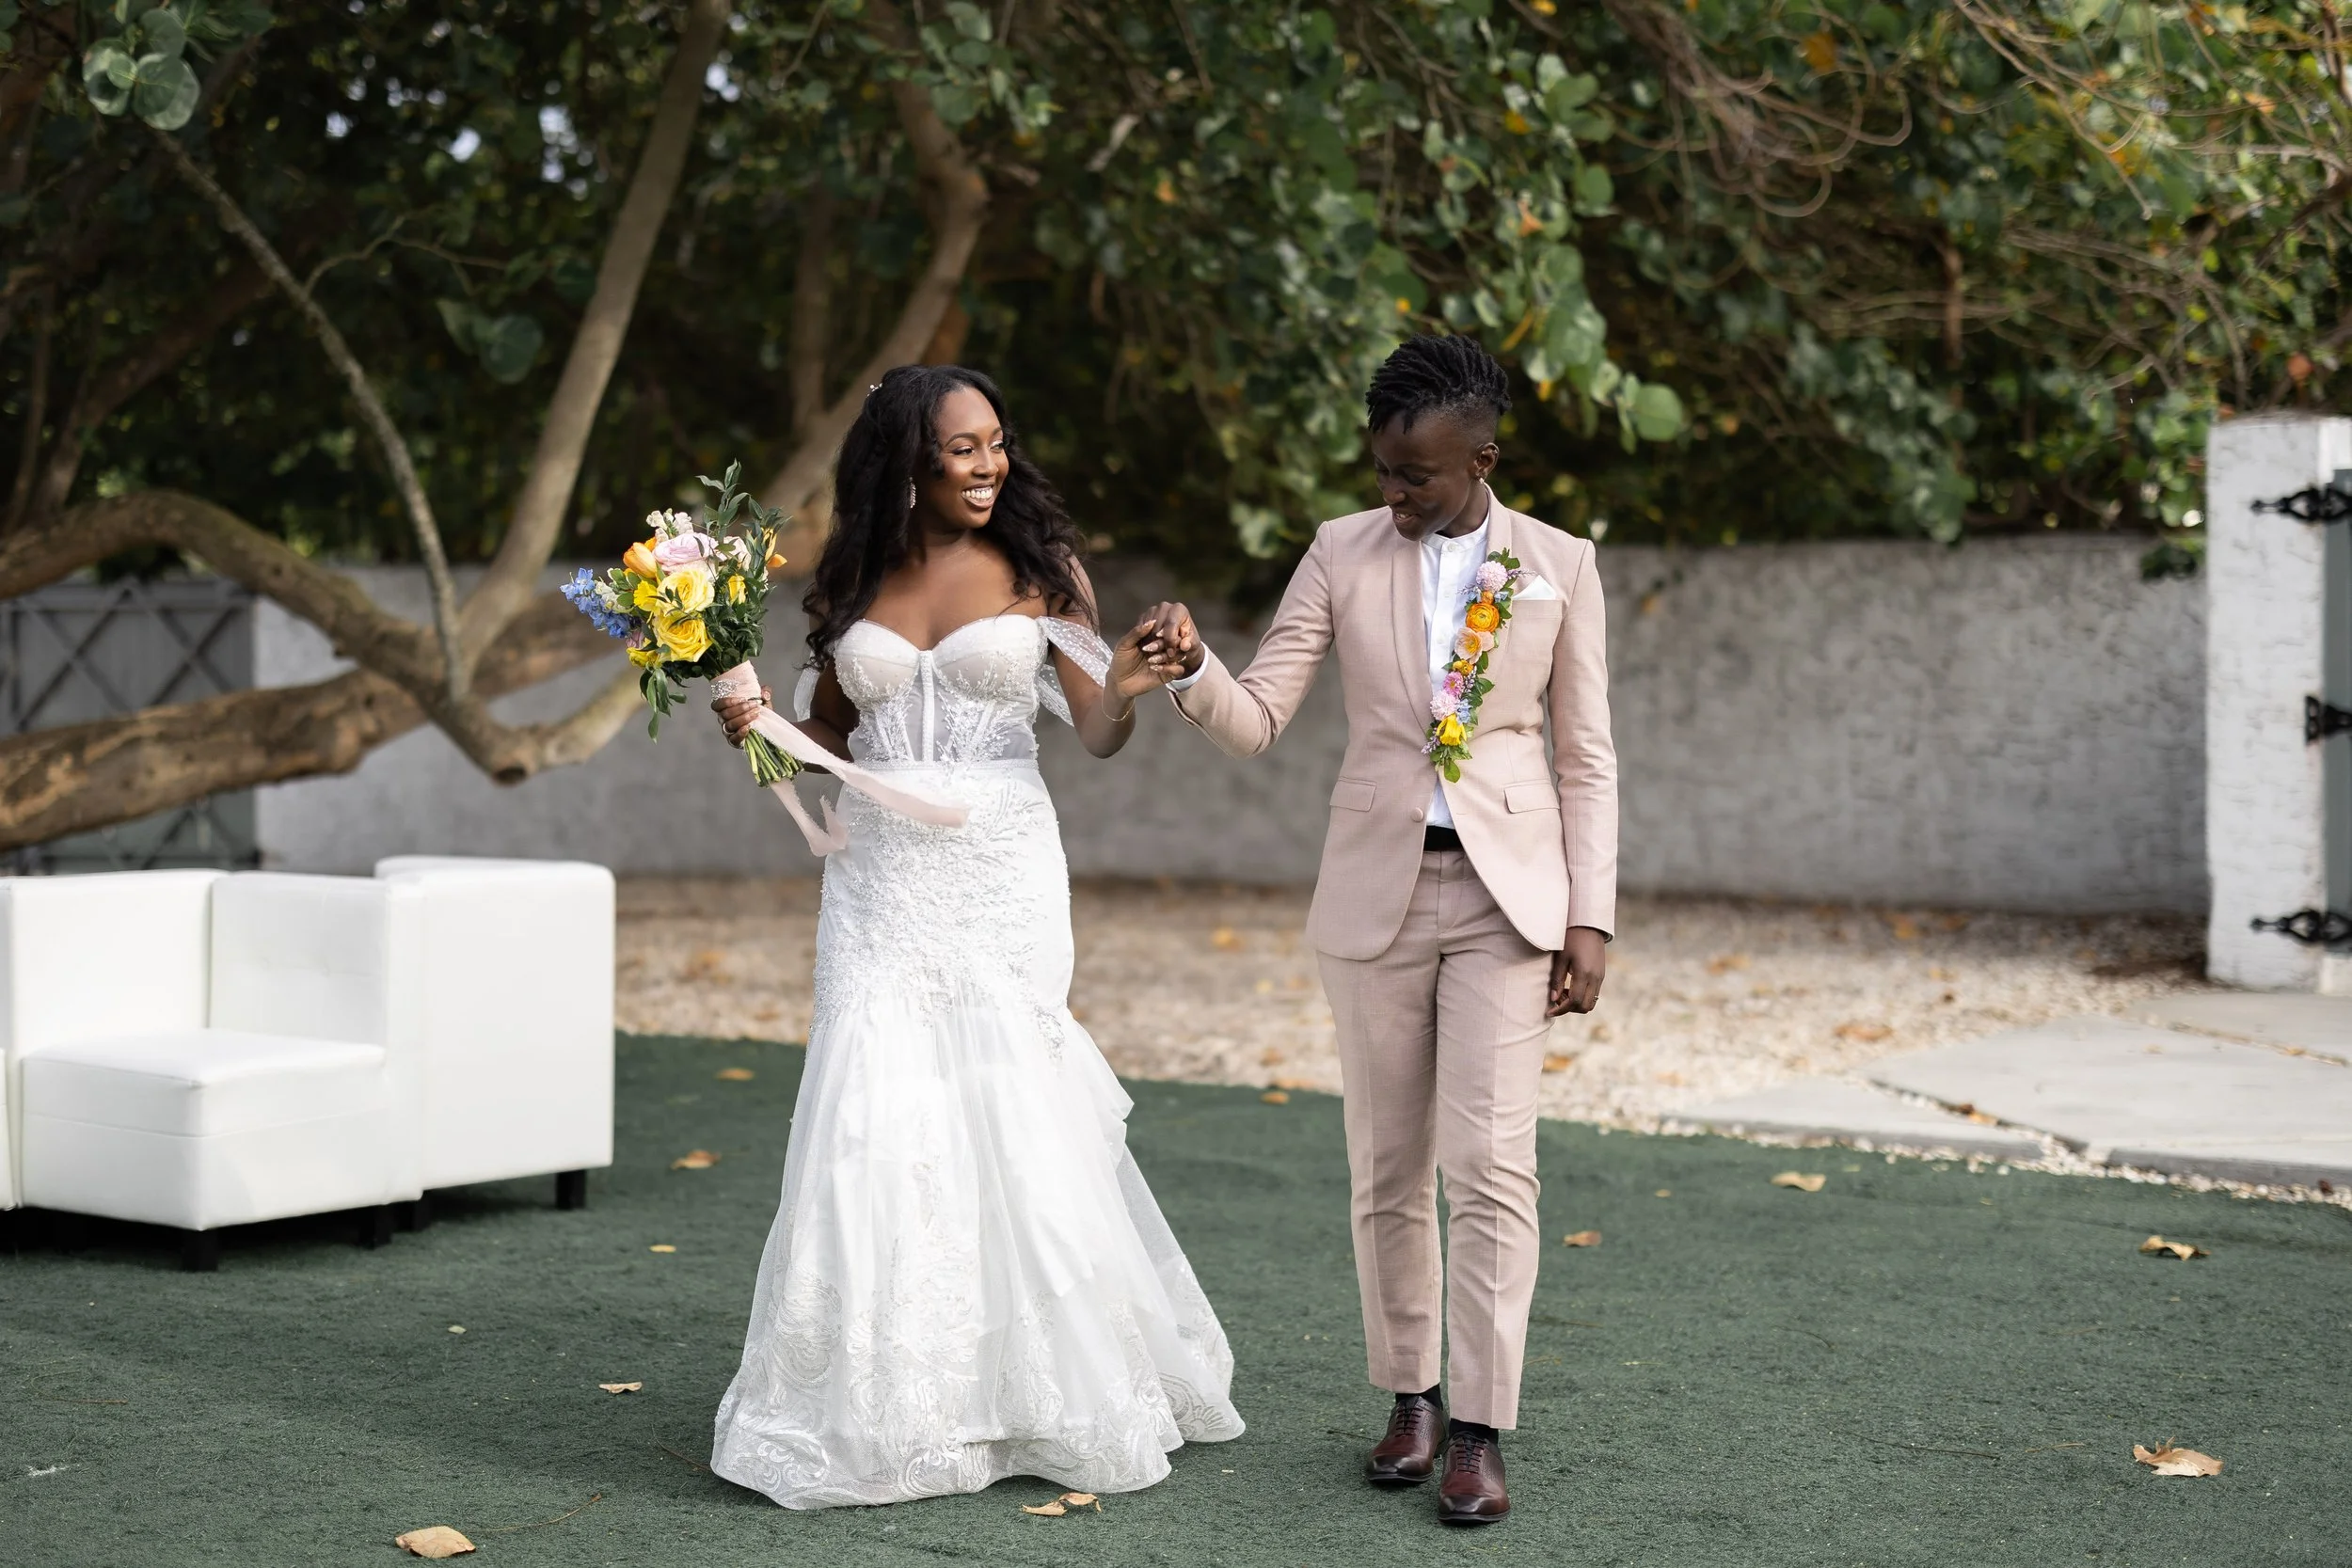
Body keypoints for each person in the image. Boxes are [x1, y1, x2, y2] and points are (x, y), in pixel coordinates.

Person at [705, 364, 1243, 1510]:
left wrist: (1134, 682)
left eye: (996, 441)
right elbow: (826, 737)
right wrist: (753, 723)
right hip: (881, 875)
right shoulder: (852, 577)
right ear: (907, 458)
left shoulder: (1045, 569)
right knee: (874, 1106)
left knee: (1007, 1097)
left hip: (1000, 861)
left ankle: (1049, 1386)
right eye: (961, 447)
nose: (989, 463)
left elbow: (1093, 731)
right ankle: (890, 1400)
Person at [1130, 334, 1617, 1527]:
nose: (1393, 495)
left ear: (1482, 459)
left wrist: (1589, 914)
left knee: (1492, 1167)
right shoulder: (1338, 551)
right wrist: (1196, 669)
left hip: (1509, 902)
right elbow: (1257, 717)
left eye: (1419, 477)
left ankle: (1484, 1426)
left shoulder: (1559, 563)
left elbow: (1586, 754)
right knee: (1386, 1167)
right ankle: (1408, 1395)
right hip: (1374, 894)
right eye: (1383, 472)